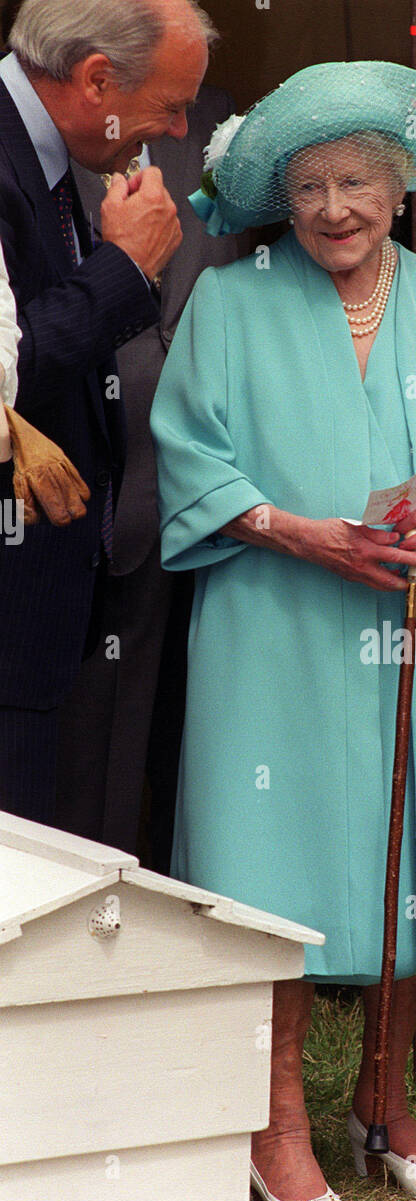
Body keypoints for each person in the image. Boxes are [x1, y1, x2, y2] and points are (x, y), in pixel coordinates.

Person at [151, 61, 416, 1201]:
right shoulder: (232, 301)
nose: (333, 207)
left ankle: (383, 1104)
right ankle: (271, 1125)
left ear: (397, 191)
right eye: (308, 186)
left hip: (415, 624)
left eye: (355, 183)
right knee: (265, 859)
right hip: (271, 621)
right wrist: (290, 528)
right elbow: (188, 452)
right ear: (280, 201)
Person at [0, 0, 214, 826]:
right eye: (171, 105)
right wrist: (128, 266)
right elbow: (8, 376)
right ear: (96, 80)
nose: (175, 129)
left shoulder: (51, 160)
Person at [53, 86, 243, 864]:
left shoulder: (226, 121)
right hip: (82, 492)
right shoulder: (45, 123)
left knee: (193, 740)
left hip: (213, 493)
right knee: (85, 744)